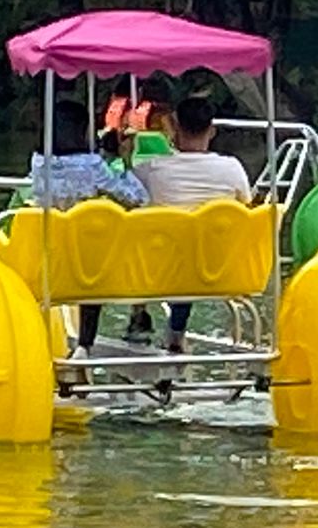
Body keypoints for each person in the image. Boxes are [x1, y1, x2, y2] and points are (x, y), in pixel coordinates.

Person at [25, 101, 149, 362]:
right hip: (86, 258)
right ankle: (85, 344)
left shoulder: (38, 161)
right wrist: (122, 160)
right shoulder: (92, 165)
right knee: (96, 256)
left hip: (48, 252)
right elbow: (137, 198)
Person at [134, 96, 252, 351]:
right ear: (212, 130)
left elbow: (127, 193)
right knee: (192, 249)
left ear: (175, 127)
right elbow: (247, 204)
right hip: (221, 268)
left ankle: (139, 316)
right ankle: (175, 333)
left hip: (163, 270)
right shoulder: (232, 169)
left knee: (163, 242)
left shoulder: (152, 170)